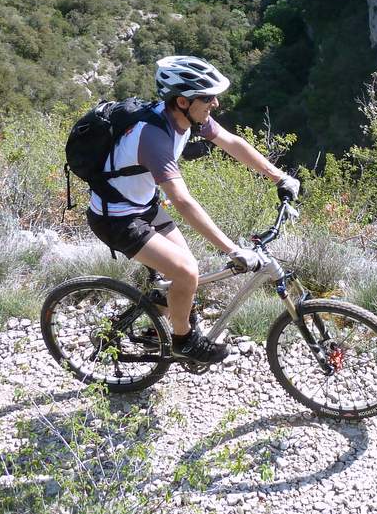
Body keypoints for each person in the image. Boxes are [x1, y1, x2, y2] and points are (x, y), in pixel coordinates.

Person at [86, 55, 300, 365]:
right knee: (186, 271)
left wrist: (279, 176)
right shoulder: (154, 137)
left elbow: (232, 142)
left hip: (142, 206)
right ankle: (182, 341)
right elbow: (183, 201)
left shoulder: (185, 119)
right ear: (183, 101)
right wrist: (232, 250)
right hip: (116, 218)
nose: (215, 104)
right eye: (208, 97)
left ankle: (150, 327)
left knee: (185, 275)